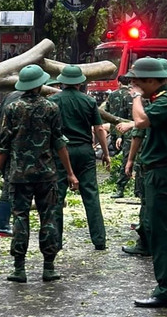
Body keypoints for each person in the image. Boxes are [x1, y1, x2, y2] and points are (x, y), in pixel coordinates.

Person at [0, 64, 78, 283]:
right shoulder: (51, 108)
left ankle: (19, 269)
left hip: (19, 175)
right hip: (47, 174)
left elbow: (4, 146)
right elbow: (59, 143)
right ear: (40, 85)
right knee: (48, 218)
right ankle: (49, 267)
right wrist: (70, 173)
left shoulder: (12, 108)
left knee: (20, 218)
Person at [127, 57, 167, 308]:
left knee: (162, 235)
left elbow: (142, 121)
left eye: (138, 82)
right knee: (166, 232)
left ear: (153, 81)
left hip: (164, 173)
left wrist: (135, 97)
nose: (134, 84)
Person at [49, 65, 110, 251]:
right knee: (91, 195)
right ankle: (99, 240)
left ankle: (55, 242)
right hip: (85, 151)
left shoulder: (52, 101)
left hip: (60, 152)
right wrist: (105, 153)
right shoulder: (89, 101)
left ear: (61, 82)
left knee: (57, 197)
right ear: (80, 83)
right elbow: (99, 129)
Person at [0, 89, 24, 237]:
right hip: (18, 153)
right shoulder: (31, 103)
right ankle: (8, 225)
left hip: (5, 148)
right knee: (14, 189)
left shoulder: (9, 96)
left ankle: (3, 225)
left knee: (8, 186)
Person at [106, 75, 134, 198]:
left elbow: (106, 112)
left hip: (118, 131)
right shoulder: (131, 95)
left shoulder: (112, 95)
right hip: (129, 131)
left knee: (122, 158)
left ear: (118, 82)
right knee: (127, 159)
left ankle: (120, 186)